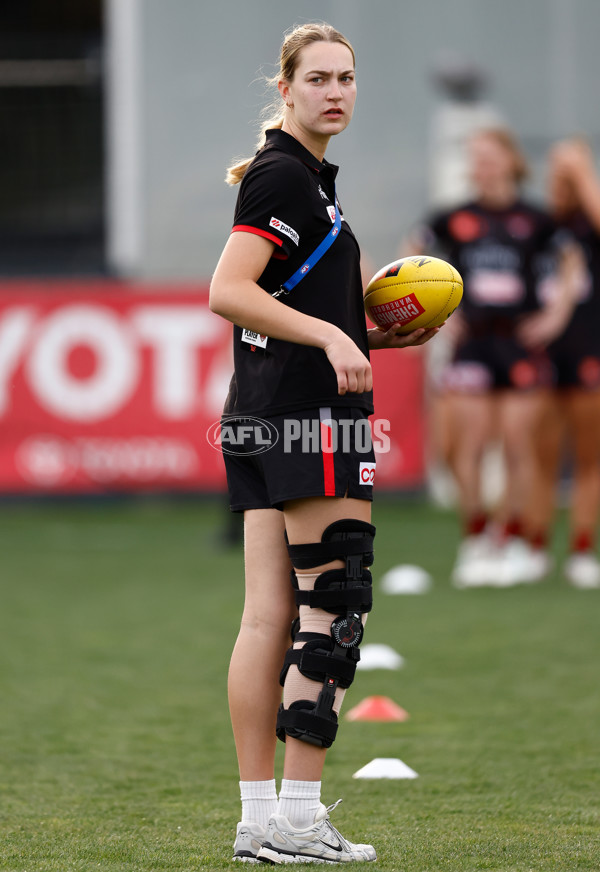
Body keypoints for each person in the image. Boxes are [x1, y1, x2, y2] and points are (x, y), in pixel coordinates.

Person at [209, 23, 439, 864]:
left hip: (265, 410)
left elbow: (292, 302)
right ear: (285, 88)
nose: (336, 91)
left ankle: (260, 822)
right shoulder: (284, 176)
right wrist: (336, 343)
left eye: (346, 78)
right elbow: (227, 290)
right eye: (318, 79)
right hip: (308, 416)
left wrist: (369, 333)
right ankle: (300, 821)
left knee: (268, 618)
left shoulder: (308, 180)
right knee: (335, 604)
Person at [408, 127, 578, 588]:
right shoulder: (454, 217)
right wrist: (432, 308)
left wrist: (555, 315)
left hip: (519, 342)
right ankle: (476, 537)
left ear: (510, 161)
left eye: (489, 156)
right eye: (474, 157)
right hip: (473, 343)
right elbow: (413, 251)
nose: (481, 165)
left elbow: (571, 263)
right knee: (468, 445)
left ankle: (514, 538)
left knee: (519, 445)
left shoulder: (536, 219)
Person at [525, 138, 600, 589]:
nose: (561, 181)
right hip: (541, 354)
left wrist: (582, 171)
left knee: (590, 457)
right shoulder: (540, 225)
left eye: (567, 175)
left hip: (590, 350)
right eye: (555, 174)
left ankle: (581, 549)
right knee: (541, 456)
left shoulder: (589, 227)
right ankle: (534, 547)